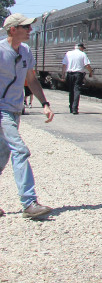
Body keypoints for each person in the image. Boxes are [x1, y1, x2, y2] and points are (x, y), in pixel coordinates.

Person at [1, 13, 55, 219]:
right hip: (2, 111)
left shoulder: (25, 52)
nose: (30, 30)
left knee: (1, 157)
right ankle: (29, 203)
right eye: (26, 27)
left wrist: (45, 104)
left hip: (15, 110)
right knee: (20, 150)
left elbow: (31, 80)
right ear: (13, 29)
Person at [61, 42, 94, 115]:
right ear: (80, 47)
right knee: (77, 90)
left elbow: (64, 65)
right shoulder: (82, 54)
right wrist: (91, 72)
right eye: (83, 48)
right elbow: (87, 65)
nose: (83, 50)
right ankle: (75, 109)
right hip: (78, 75)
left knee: (71, 91)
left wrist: (63, 75)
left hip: (69, 74)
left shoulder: (68, 53)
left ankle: (71, 107)